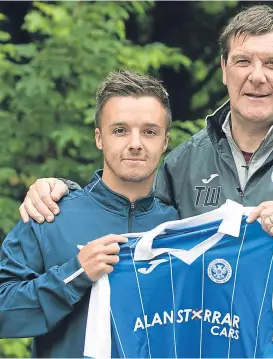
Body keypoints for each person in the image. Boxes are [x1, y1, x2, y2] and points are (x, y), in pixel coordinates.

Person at [18, 5, 273, 358]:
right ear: (224, 69)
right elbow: (131, 212)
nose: (257, 76)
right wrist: (64, 192)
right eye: (243, 61)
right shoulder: (185, 162)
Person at [0, 70, 179, 357]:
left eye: (149, 131)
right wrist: (75, 275)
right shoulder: (49, 215)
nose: (135, 143)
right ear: (99, 138)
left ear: (165, 140)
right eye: (120, 130)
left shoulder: (180, 226)